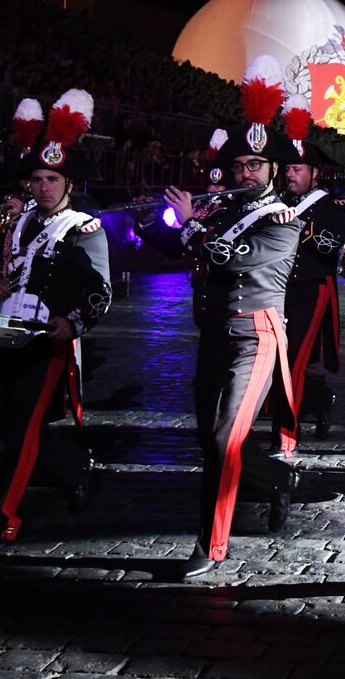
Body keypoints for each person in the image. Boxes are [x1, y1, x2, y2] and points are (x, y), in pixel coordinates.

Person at [135, 57, 304, 578]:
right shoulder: (220, 209)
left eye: (255, 165)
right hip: (212, 334)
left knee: (225, 439)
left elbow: (231, 257)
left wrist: (189, 227)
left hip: (254, 336)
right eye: (238, 166)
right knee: (208, 438)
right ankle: (277, 482)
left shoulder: (282, 218)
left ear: (273, 169)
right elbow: (178, 246)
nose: (245, 173)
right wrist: (151, 221)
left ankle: (211, 546)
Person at [0, 89, 111, 553]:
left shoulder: (83, 227)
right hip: (10, 335)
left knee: (25, 431)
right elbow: (11, 270)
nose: (43, 187)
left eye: (52, 178)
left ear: (67, 183)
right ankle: (73, 468)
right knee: (9, 427)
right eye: (36, 178)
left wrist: (74, 321)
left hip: (50, 342)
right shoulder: (20, 222)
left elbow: (102, 291)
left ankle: (5, 520)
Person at [270, 101, 345, 454]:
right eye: (288, 167)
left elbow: (329, 247)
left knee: (296, 358)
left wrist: (296, 226)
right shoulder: (275, 201)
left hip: (311, 289)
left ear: (314, 173)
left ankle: (285, 436)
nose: (290, 174)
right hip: (278, 288)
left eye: (298, 168)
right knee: (276, 358)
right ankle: (319, 400)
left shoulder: (330, 207)